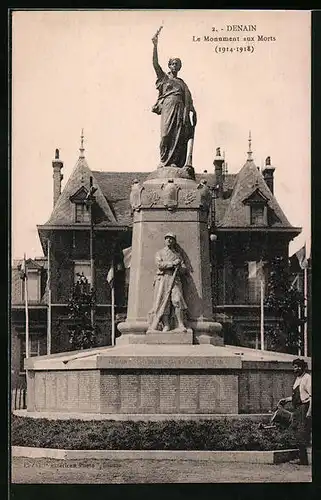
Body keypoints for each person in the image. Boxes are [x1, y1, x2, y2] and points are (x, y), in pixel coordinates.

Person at [151, 29, 197, 168]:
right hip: (168, 107)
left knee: (179, 136)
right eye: (173, 63)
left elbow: (189, 100)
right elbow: (155, 64)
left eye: (177, 64)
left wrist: (192, 112)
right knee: (165, 135)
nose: (175, 66)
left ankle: (175, 162)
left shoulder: (182, 83)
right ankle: (164, 161)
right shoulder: (164, 78)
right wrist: (155, 46)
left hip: (180, 110)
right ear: (169, 65)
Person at [148, 233, 188, 332]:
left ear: (174, 241)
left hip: (175, 279)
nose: (169, 240)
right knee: (163, 302)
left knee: (177, 300)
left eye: (171, 239)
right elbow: (159, 264)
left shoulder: (178, 255)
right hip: (163, 278)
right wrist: (172, 264)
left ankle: (180, 324)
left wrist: (180, 267)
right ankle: (166, 325)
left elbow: (184, 269)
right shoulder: (160, 253)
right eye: (167, 238)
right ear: (165, 240)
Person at [278, 358, 311, 465]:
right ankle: (302, 459)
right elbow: (297, 396)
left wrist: (309, 412)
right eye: (294, 367)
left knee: (302, 434)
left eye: (297, 367)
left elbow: (311, 396)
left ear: (303, 367)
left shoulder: (307, 378)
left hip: (304, 408)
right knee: (296, 432)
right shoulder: (298, 379)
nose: (295, 369)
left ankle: (304, 460)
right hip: (297, 408)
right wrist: (286, 400)